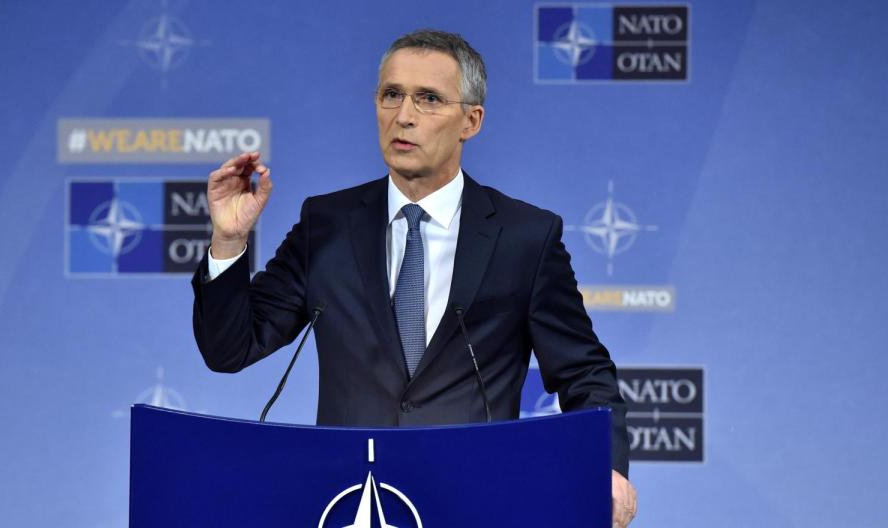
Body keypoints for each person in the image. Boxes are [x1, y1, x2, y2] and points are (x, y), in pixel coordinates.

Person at [192, 29, 637, 527]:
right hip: (346, 503)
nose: (403, 115)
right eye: (391, 95)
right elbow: (229, 350)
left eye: (428, 99)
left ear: (472, 120)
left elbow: (584, 374)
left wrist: (606, 465)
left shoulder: (524, 237)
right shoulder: (327, 224)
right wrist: (229, 242)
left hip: (475, 500)